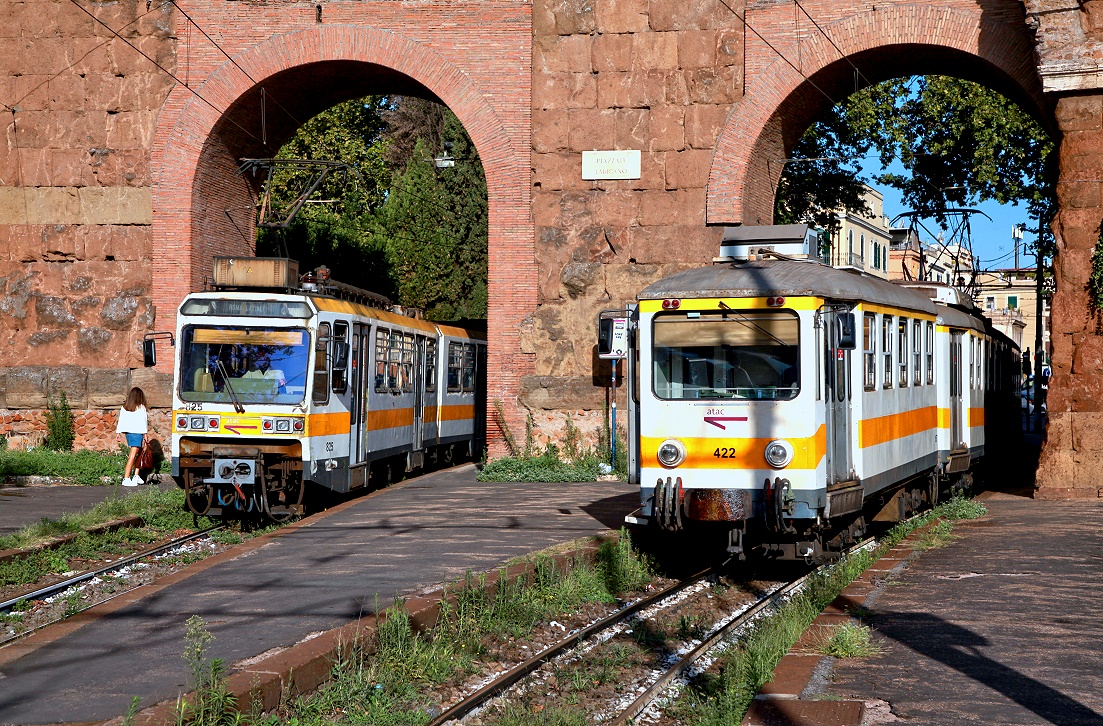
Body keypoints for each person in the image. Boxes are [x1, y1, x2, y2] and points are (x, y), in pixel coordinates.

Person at [115, 387, 148, 487]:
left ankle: (136, 476)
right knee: (133, 456)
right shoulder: (141, 407)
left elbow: (122, 420)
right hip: (138, 433)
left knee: (139, 454)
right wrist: (145, 434)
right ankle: (126, 478)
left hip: (129, 433)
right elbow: (144, 421)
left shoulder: (125, 407)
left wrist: (118, 433)